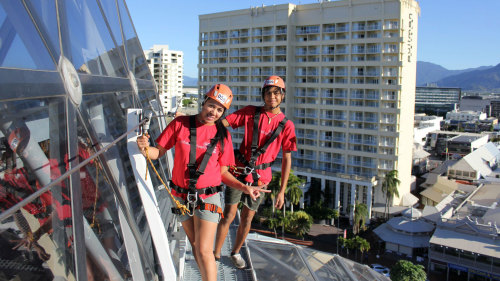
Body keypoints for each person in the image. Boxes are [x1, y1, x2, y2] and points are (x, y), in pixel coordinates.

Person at [136, 84, 269, 281]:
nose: (213, 112)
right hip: (180, 197)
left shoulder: (223, 135)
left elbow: (223, 172)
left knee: (205, 251)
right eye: (211, 106)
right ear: (204, 102)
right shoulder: (180, 124)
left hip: (208, 197)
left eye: (219, 109)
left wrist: (244, 187)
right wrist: (144, 148)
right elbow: (158, 153)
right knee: (197, 247)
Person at [214, 75, 297, 269]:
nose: (272, 97)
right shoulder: (251, 113)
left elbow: (287, 159)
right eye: (268, 93)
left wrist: (282, 191)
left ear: (282, 96)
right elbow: (223, 124)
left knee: (247, 217)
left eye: (276, 93)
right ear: (263, 95)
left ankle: (235, 252)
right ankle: (216, 254)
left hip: (261, 178)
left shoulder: (286, 125)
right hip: (239, 171)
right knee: (228, 214)